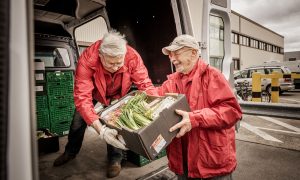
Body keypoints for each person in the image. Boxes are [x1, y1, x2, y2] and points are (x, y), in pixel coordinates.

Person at [53, 30, 156, 178]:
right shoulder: (88, 59)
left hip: (118, 94)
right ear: (101, 56)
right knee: (78, 121)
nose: (115, 67)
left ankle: (115, 159)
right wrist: (100, 130)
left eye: (119, 63)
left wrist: (155, 105)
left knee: (115, 123)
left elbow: (145, 84)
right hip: (95, 92)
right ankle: (70, 152)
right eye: (111, 63)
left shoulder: (132, 56)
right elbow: (82, 97)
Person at [156, 34, 242, 179]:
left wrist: (195, 118)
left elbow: (232, 112)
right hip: (183, 163)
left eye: (176, 53)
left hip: (211, 162)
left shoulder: (213, 76)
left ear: (194, 53)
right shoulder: (171, 82)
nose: (172, 59)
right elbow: (153, 99)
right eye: (170, 55)